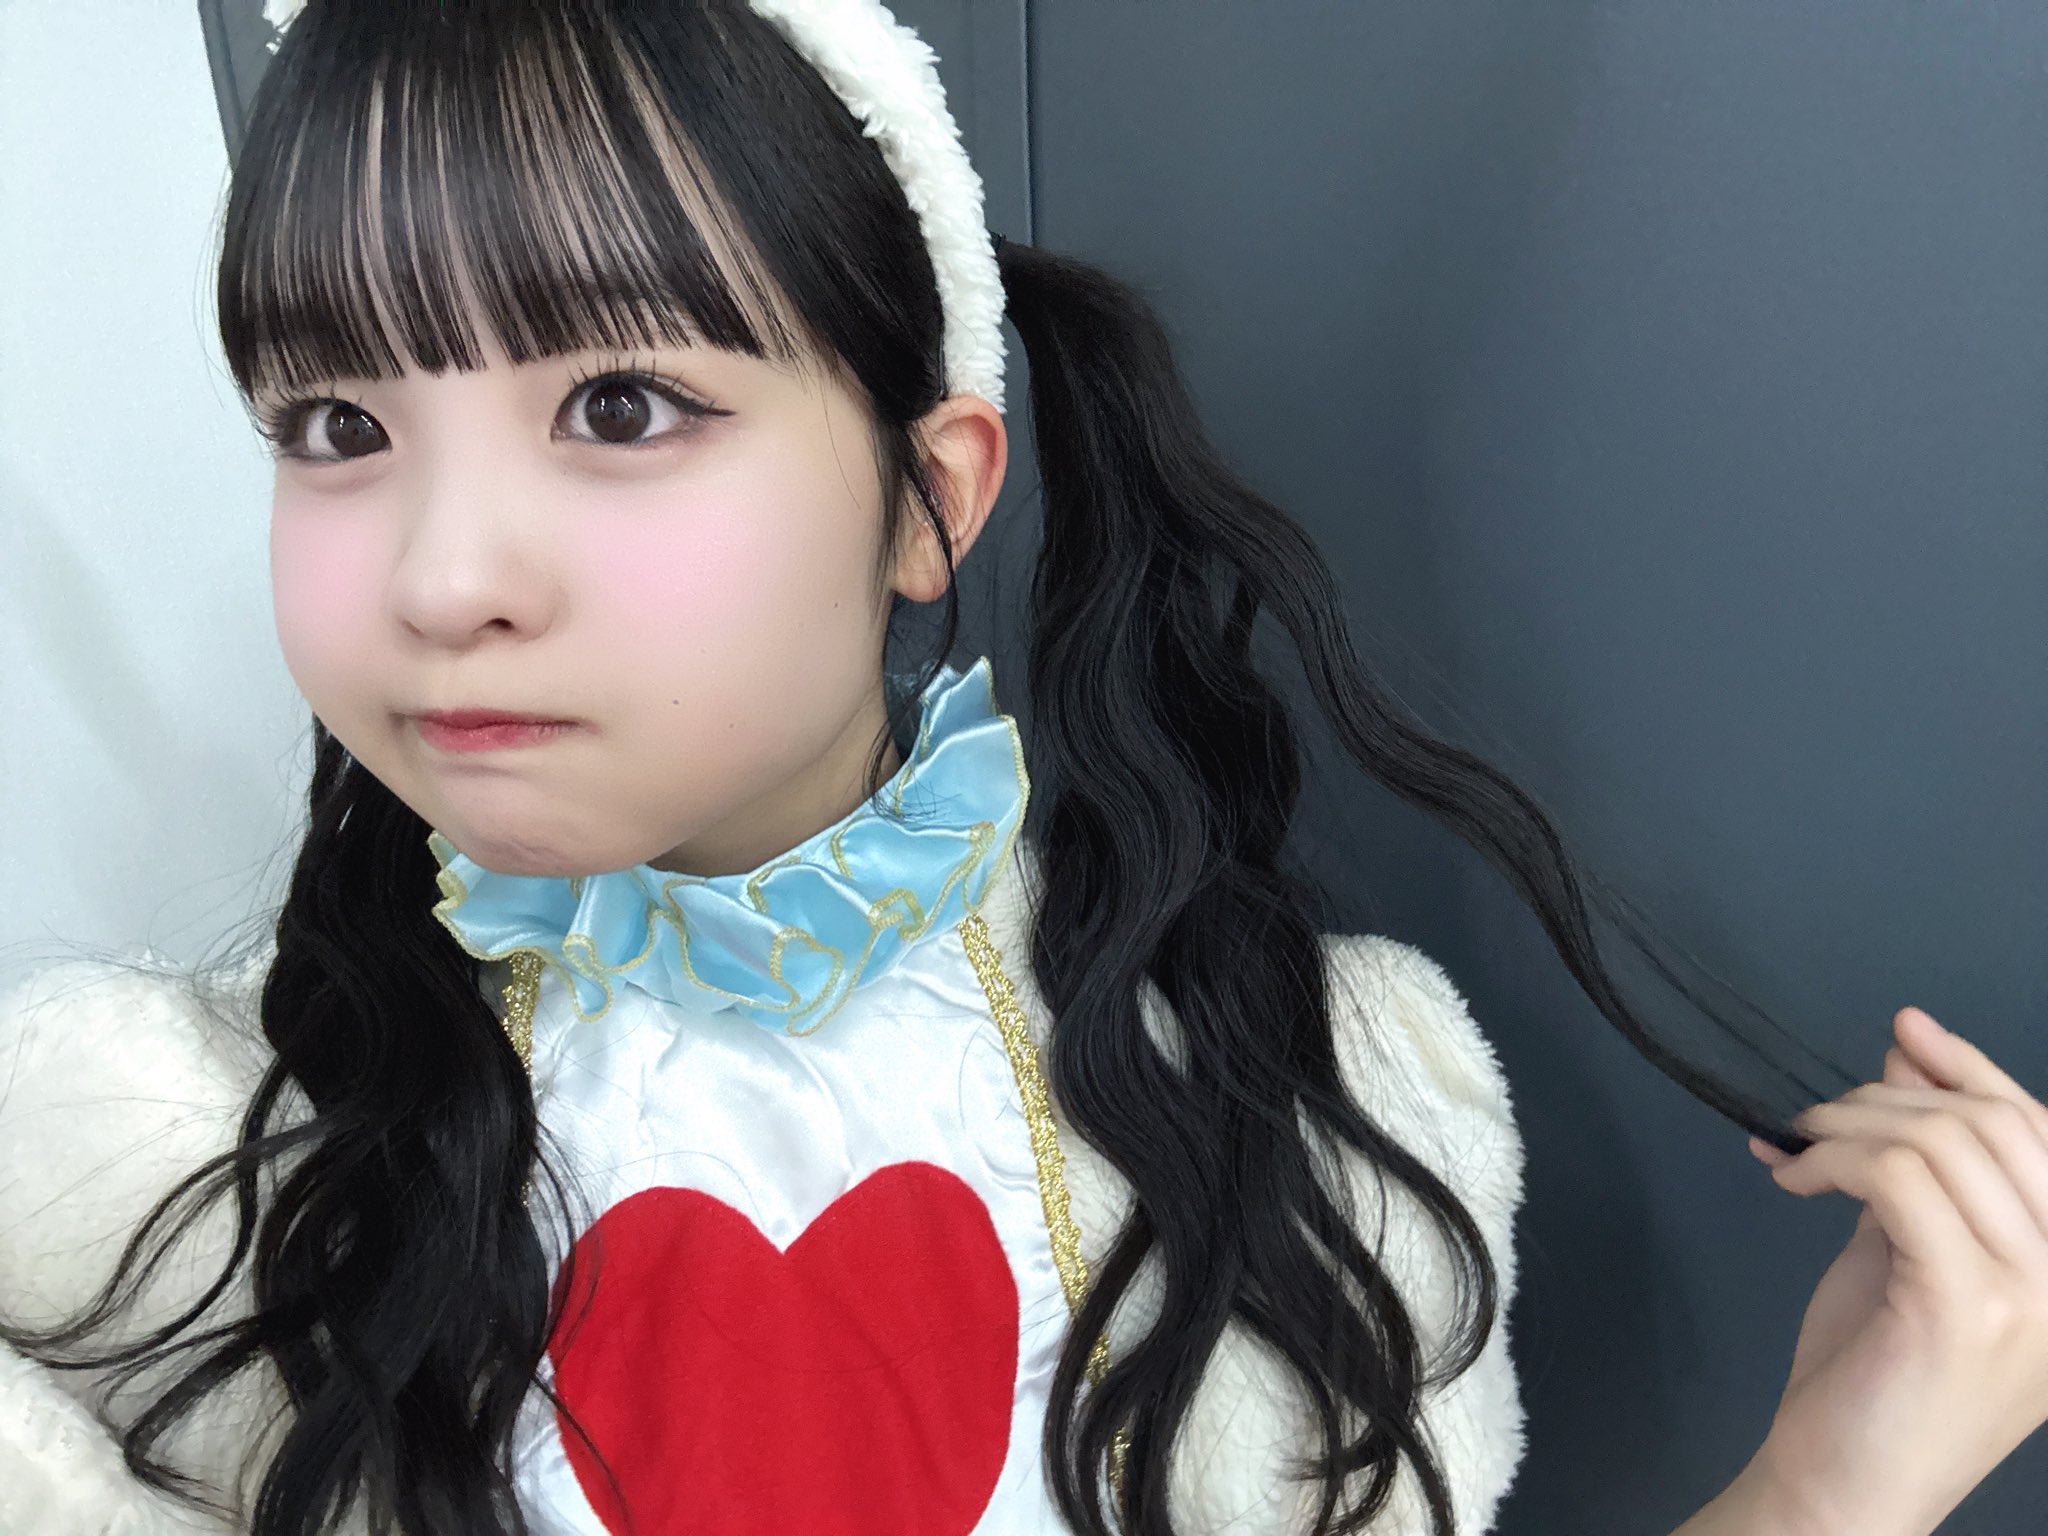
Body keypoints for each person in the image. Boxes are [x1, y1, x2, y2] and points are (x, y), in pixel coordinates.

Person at [2, 2, 2043, 1533]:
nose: (442, 579)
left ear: (932, 495)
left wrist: (1828, 1485)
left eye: (621, 404)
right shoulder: (143, 1189)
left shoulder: (1305, 1119)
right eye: (336, 427)